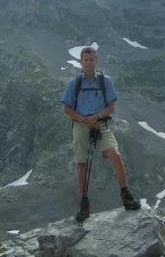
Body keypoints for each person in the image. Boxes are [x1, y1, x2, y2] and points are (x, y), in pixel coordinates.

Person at [60, 46, 141, 222]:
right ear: (81, 62)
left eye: (92, 59)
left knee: (115, 155)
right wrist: (84, 119)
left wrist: (96, 117)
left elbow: (111, 106)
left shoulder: (105, 81)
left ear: (96, 61)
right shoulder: (75, 83)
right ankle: (84, 204)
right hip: (81, 125)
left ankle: (125, 195)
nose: (89, 63)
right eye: (86, 60)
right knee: (81, 164)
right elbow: (66, 109)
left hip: (100, 124)